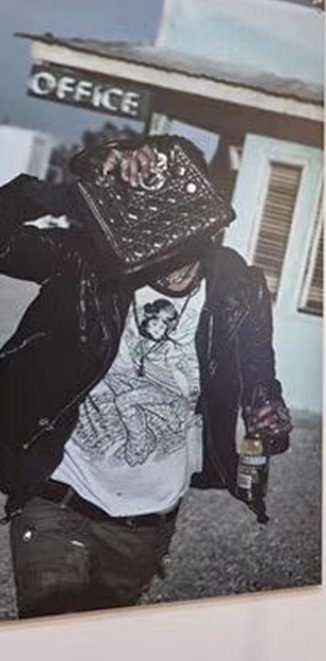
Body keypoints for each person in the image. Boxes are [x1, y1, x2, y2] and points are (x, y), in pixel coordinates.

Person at [0, 137, 292, 618]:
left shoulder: (236, 287)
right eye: (143, 195)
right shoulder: (87, 262)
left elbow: (260, 380)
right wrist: (74, 195)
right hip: (57, 498)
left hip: (145, 523)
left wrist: (269, 413)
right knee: (53, 634)